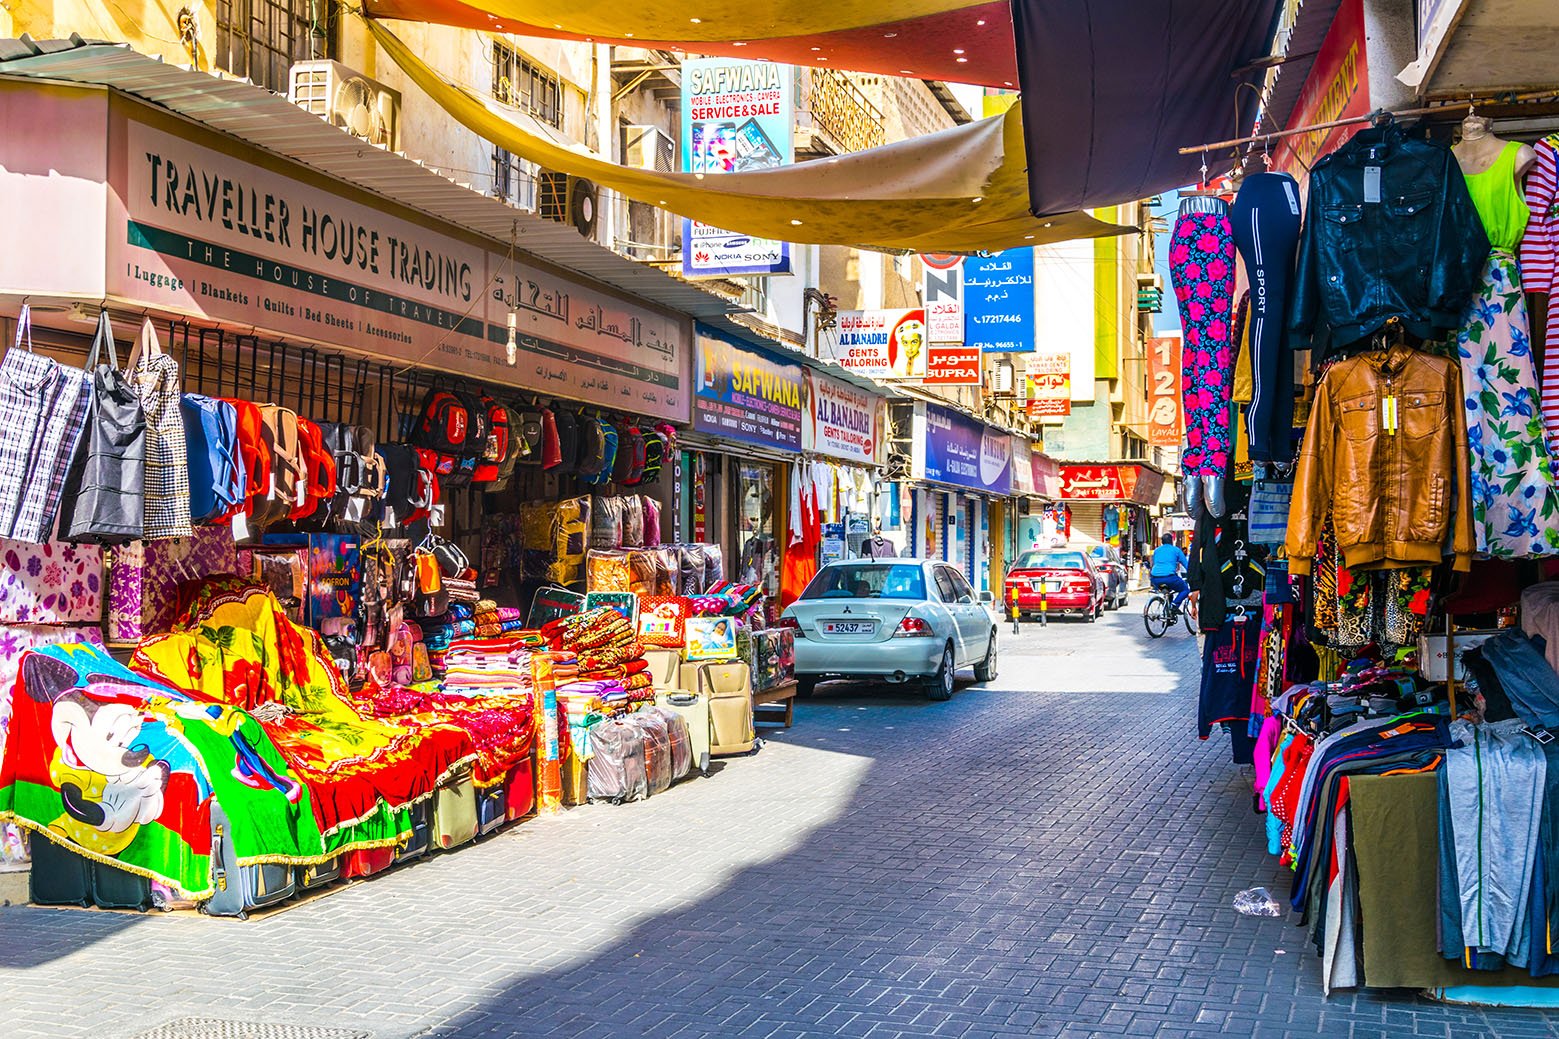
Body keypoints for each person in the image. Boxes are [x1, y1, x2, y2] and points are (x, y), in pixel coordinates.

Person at [1150, 533, 1191, 614]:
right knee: (1185, 589)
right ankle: (1174, 605)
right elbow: (1186, 565)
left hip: (1155, 578)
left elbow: (1154, 563)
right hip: (1169, 577)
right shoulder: (1176, 550)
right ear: (1172, 541)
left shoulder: (1157, 550)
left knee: (1169, 592)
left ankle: (1168, 613)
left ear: (1162, 542)